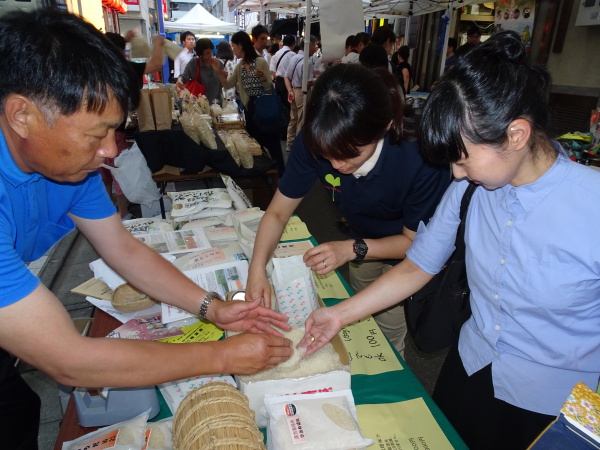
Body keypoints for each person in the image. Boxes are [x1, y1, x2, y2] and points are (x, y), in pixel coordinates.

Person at [0, 10, 293, 448]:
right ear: (21, 115)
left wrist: (211, 308)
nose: (108, 151)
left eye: (114, 132)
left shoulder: (70, 169)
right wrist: (221, 355)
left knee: (17, 411)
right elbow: (69, 359)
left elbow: (123, 249)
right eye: (96, 134)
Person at [298, 31, 600, 450]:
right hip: (470, 370)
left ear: (516, 135)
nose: (456, 174)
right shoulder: (469, 190)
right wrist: (338, 316)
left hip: (553, 404)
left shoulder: (592, 207)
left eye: (463, 159)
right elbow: (419, 265)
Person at [245, 64, 449, 357]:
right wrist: (257, 270)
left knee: (389, 331)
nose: (338, 166)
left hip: (408, 250)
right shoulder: (316, 140)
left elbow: (414, 246)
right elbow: (277, 213)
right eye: (327, 156)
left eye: (352, 154)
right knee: (359, 314)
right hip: (359, 239)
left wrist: (351, 249)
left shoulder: (420, 156)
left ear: (386, 126)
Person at [103, 31, 165, 219]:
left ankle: (108, 209)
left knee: (104, 171)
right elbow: (155, 65)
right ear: (120, 52)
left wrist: (126, 40)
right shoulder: (122, 68)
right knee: (121, 170)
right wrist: (157, 44)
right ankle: (122, 211)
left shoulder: (95, 68)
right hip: (115, 131)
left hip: (94, 131)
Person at [215, 31, 285, 173]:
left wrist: (262, 76)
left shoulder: (260, 62)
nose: (232, 49)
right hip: (250, 110)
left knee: (271, 141)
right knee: (256, 142)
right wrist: (218, 72)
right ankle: (265, 172)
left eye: (234, 46)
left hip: (264, 107)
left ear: (241, 45)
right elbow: (227, 85)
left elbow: (269, 87)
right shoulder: (239, 67)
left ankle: (280, 172)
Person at [284, 36, 318, 152]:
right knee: (302, 120)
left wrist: (289, 90)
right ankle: (299, 147)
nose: (316, 48)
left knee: (293, 119)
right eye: (315, 45)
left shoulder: (295, 57)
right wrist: (317, 80)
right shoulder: (307, 61)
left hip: (293, 91)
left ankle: (289, 143)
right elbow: (307, 83)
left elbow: (286, 76)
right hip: (302, 93)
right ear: (309, 45)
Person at [177, 38, 223, 104]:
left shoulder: (219, 64)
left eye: (208, 53)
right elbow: (184, 76)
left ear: (212, 50)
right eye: (203, 55)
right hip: (200, 107)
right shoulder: (194, 63)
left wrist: (224, 77)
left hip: (217, 105)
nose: (207, 57)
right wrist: (180, 80)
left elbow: (223, 85)